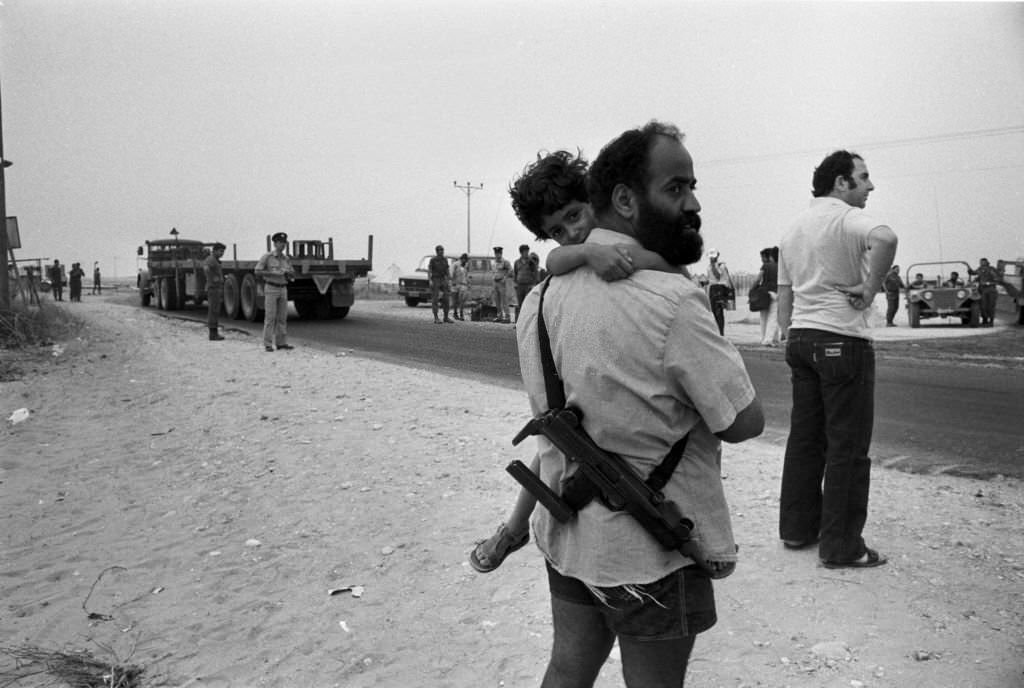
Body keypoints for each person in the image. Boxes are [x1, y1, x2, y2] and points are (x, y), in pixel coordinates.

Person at [517, 123, 764, 687]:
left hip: (572, 533)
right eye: (676, 188)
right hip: (650, 548)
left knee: (568, 668)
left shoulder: (538, 297)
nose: (693, 203)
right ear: (625, 199)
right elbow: (745, 423)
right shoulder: (672, 299)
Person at [472, 149, 679, 574]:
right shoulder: (574, 257)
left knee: (555, 445)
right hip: (583, 405)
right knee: (554, 442)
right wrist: (588, 255)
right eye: (558, 228)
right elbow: (554, 259)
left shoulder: (631, 229)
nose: (572, 230)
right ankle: (513, 530)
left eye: (574, 214)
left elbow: (668, 268)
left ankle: (513, 530)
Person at [777, 149, 898, 570]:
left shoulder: (793, 228)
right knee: (847, 445)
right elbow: (886, 238)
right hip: (843, 339)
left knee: (805, 440)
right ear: (841, 183)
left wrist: (787, 331)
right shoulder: (845, 218)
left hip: (802, 339)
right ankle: (842, 547)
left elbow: (785, 291)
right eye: (863, 178)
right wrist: (869, 287)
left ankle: (797, 529)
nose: (870, 186)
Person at [255, 232, 295, 351]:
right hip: (271, 287)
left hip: (283, 287)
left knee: (282, 317)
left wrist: (289, 274)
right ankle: (267, 344)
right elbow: (257, 271)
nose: (283, 245)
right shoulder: (267, 257)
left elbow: (292, 272)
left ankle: (281, 343)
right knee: (270, 317)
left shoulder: (286, 259)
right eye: (280, 243)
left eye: (284, 243)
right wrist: (272, 273)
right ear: (275, 243)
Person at [753, 246, 780, 345]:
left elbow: (757, 279)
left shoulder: (765, 266)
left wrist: (752, 289)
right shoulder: (780, 267)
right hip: (775, 293)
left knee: (763, 317)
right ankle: (771, 339)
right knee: (773, 318)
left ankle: (764, 338)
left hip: (764, 294)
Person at [705, 249, 733, 335]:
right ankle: (717, 332)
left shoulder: (721, 266)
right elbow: (711, 279)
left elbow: (717, 276)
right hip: (713, 288)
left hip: (719, 288)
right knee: (714, 311)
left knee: (718, 311)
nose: (711, 259)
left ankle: (720, 333)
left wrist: (713, 266)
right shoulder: (710, 266)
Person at [512, 244, 540, 323]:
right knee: (520, 304)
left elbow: (535, 273)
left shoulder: (531, 262)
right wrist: (515, 283)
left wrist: (533, 284)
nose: (526, 253)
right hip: (520, 286)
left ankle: (528, 322)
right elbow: (515, 273)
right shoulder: (517, 262)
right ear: (521, 252)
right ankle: (520, 322)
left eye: (527, 251)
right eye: (525, 251)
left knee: (527, 304)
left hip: (528, 285)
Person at [204, 243, 226, 341]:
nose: (222, 253)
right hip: (213, 288)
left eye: (223, 251)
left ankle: (214, 333)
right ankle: (213, 334)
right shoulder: (210, 260)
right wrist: (214, 279)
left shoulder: (214, 260)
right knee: (213, 310)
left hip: (216, 288)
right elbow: (206, 269)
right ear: (215, 250)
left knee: (215, 310)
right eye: (220, 251)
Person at [968, 258, 1000, 326]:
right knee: (983, 306)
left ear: (987, 262)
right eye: (981, 262)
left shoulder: (991, 269)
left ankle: (991, 321)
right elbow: (974, 273)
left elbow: (997, 278)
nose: (982, 263)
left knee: (991, 306)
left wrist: (989, 283)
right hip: (982, 290)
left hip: (991, 290)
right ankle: (984, 320)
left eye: (983, 262)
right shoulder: (979, 269)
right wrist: (970, 271)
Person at [427, 244, 453, 324]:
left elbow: (447, 269)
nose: (442, 252)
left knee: (446, 298)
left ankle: (446, 317)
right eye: (440, 250)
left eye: (442, 250)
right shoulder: (433, 260)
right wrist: (430, 280)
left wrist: (449, 279)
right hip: (435, 279)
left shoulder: (445, 259)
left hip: (443, 279)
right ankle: (436, 318)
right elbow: (429, 270)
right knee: (435, 299)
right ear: (437, 252)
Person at [491, 246, 513, 323]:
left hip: (502, 282)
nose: (497, 255)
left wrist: (505, 277)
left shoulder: (505, 262)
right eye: (496, 253)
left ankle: (507, 317)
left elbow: (510, 271)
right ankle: (499, 316)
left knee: (504, 300)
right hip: (495, 283)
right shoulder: (494, 263)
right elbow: (493, 272)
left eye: (499, 253)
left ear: (501, 253)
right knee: (497, 300)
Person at [451, 253, 470, 321]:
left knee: (462, 300)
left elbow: (466, 274)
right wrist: (452, 282)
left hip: (463, 284)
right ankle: (455, 313)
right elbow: (451, 273)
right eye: (464, 259)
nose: (465, 261)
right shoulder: (455, 264)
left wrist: (468, 283)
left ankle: (461, 314)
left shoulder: (466, 265)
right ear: (462, 259)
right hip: (455, 284)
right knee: (455, 300)